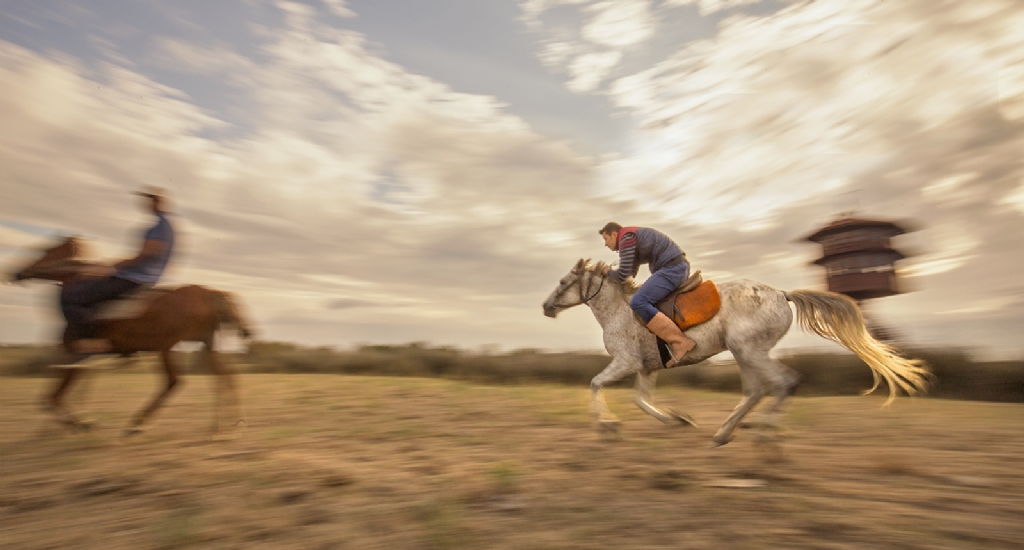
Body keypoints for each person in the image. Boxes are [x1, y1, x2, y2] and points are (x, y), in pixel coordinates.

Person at [61, 187, 176, 355]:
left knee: (71, 296)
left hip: (133, 278)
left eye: (150, 200)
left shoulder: (160, 226)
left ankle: (90, 342)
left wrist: (110, 267)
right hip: (140, 276)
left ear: (159, 202)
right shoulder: (164, 225)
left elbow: (147, 253)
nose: (146, 204)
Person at [599, 222, 695, 367]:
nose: (606, 244)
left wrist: (607, 272)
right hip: (676, 267)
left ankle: (680, 342)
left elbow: (623, 273)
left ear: (614, 234)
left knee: (638, 302)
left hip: (672, 269)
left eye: (606, 239)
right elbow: (630, 273)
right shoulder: (630, 239)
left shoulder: (626, 238)